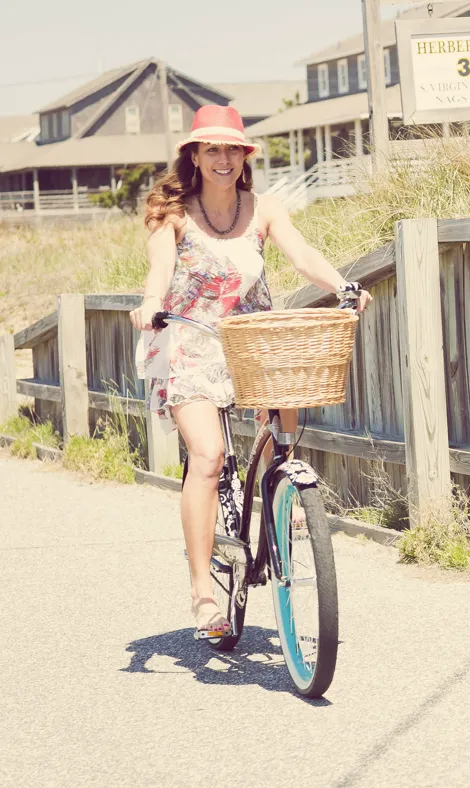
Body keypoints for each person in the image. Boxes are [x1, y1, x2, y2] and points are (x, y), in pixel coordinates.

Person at [128, 104, 371, 640]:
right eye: (211, 148)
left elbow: (302, 253)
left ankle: (285, 488)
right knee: (209, 457)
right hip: (190, 341)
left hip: (250, 340)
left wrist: (343, 285)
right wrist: (149, 302)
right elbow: (160, 269)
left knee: (284, 426)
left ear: (244, 157)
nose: (222, 158)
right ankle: (202, 593)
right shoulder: (173, 214)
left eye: (231, 149)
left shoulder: (263, 208)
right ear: (194, 155)